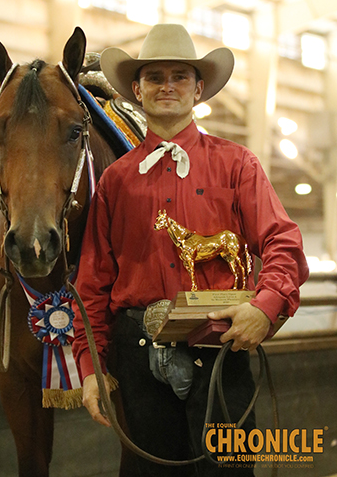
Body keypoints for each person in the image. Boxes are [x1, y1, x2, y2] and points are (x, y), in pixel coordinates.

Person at [72, 24, 309, 476]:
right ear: (137, 91)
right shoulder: (115, 181)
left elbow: (283, 243)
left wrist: (266, 306)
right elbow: (92, 280)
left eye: (179, 76)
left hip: (219, 347)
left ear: (198, 89)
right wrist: (90, 367)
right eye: (155, 77)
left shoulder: (237, 164)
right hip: (136, 353)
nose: (167, 86)